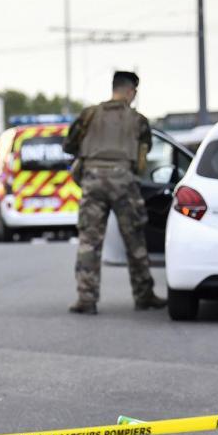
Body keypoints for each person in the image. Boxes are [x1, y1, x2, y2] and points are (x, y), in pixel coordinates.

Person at [62, 71, 168, 315]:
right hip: (123, 181)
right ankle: (143, 295)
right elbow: (144, 155)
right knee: (134, 239)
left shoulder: (89, 115)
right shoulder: (138, 120)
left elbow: (69, 145)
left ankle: (86, 298)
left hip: (93, 180)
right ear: (131, 91)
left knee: (89, 240)